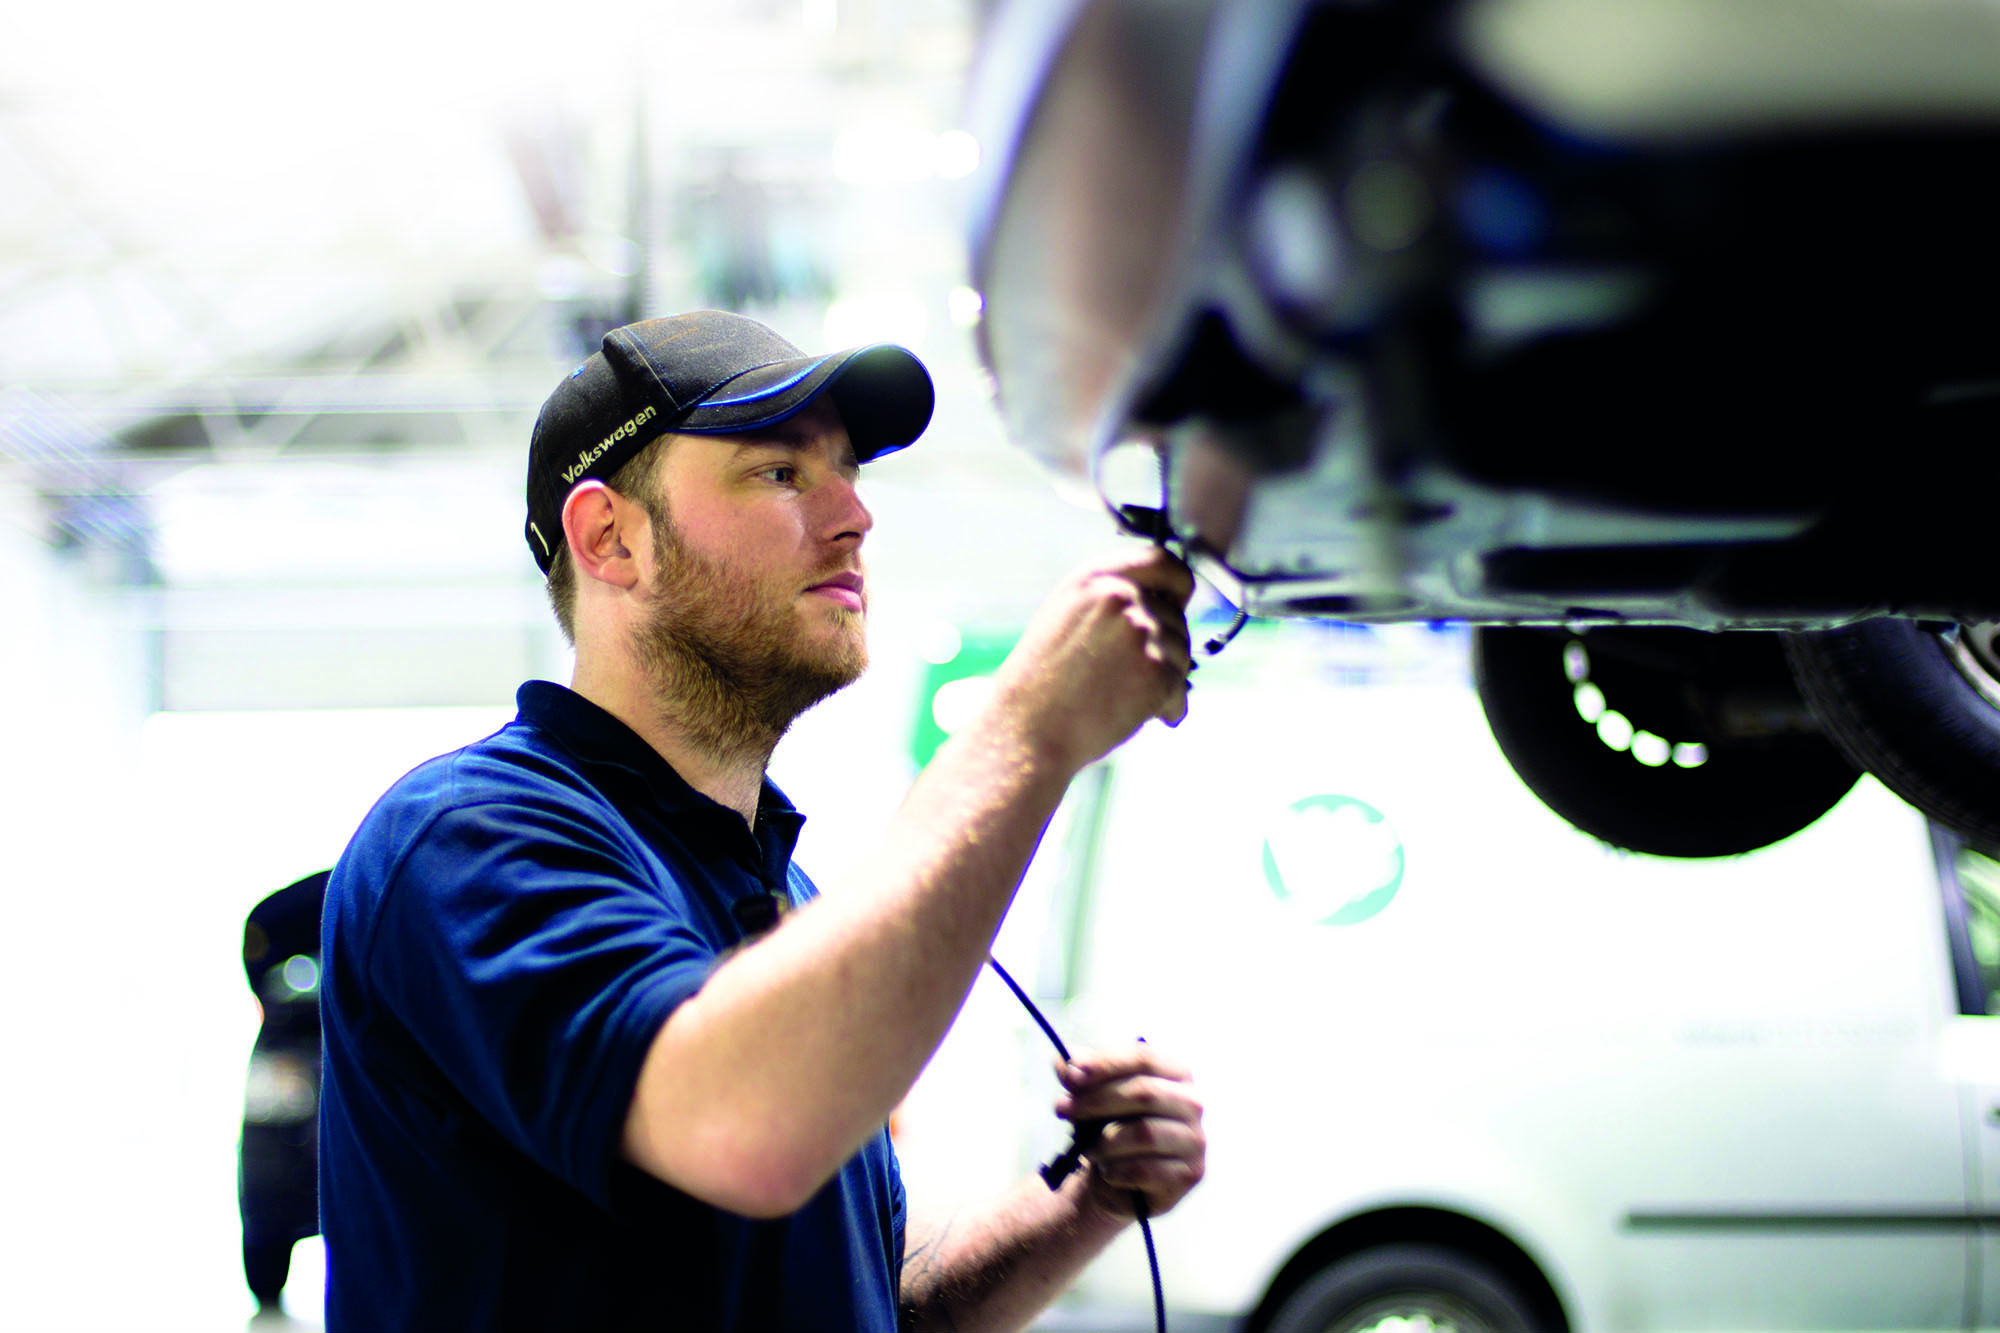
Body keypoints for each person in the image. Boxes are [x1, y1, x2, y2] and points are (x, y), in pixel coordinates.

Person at [318, 310, 1206, 1331]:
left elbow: (862, 1303)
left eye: (849, 473)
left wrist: (1081, 1202)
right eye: (780, 473)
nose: (852, 517)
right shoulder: (468, 837)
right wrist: (1027, 730)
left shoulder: (779, 899)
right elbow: (744, 1129)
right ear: (611, 538)